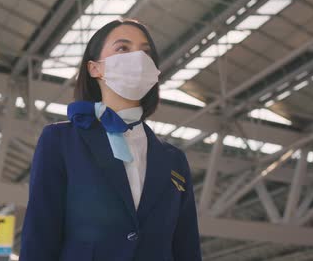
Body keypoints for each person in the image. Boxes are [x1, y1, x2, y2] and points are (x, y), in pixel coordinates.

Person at [19, 19, 201, 261]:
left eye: (146, 52)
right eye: (123, 48)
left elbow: (186, 247)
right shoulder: (60, 140)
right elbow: (40, 235)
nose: (138, 58)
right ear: (95, 68)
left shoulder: (174, 160)